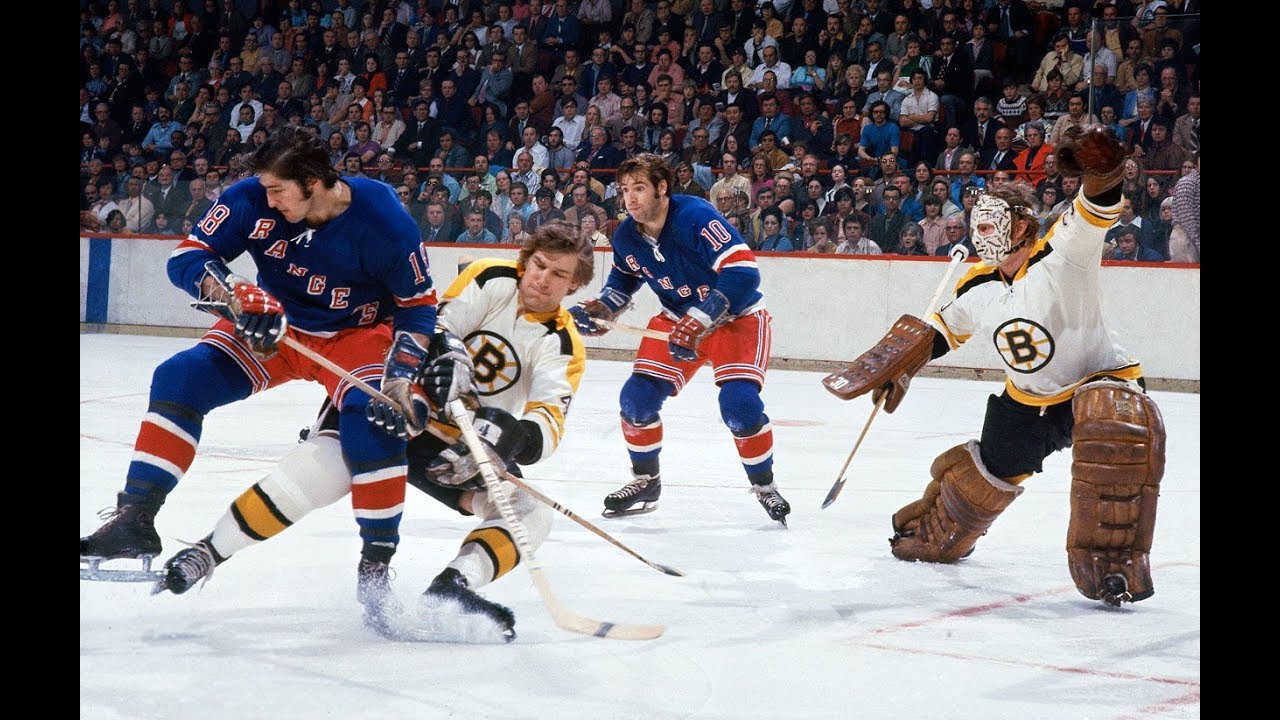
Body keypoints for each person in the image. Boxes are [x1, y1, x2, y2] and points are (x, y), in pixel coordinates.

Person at [153, 223, 595, 642]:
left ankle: (451, 589)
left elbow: (548, 418)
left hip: (453, 445)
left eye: (558, 275)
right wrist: (445, 358)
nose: (542, 279)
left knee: (530, 512)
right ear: (525, 261)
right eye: (539, 265)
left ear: (574, 285)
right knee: (319, 473)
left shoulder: (564, 344)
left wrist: (512, 439)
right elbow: (437, 325)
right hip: (395, 400)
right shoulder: (491, 276)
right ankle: (208, 552)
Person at [79, 127, 444, 628]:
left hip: (356, 336)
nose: (268, 200)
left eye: (279, 191)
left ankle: (376, 564)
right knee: (179, 378)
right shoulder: (250, 197)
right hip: (276, 327)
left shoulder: (385, 220)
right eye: (266, 189)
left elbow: (418, 308)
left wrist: (399, 378)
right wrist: (234, 293)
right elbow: (186, 257)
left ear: (314, 182)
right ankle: (135, 517)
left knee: (373, 422)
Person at [828, 126, 1165, 608]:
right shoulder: (978, 282)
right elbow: (943, 332)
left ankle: (1114, 559)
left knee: (1113, 427)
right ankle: (942, 529)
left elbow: (1097, 205)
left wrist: (1103, 173)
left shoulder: (1065, 250)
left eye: (987, 228)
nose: (977, 236)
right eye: (975, 227)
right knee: (989, 472)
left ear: (1022, 226)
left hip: (1099, 378)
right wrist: (903, 367)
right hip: (1028, 397)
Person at [568, 154, 791, 525]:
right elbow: (624, 279)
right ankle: (645, 481)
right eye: (625, 190)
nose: (630, 198)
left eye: (639, 188)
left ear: (662, 188)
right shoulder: (626, 235)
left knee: (739, 406)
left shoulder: (695, 217)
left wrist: (702, 318)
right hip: (677, 320)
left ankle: (764, 485)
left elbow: (743, 273)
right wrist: (604, 308)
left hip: (737, 318)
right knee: (636, 401)